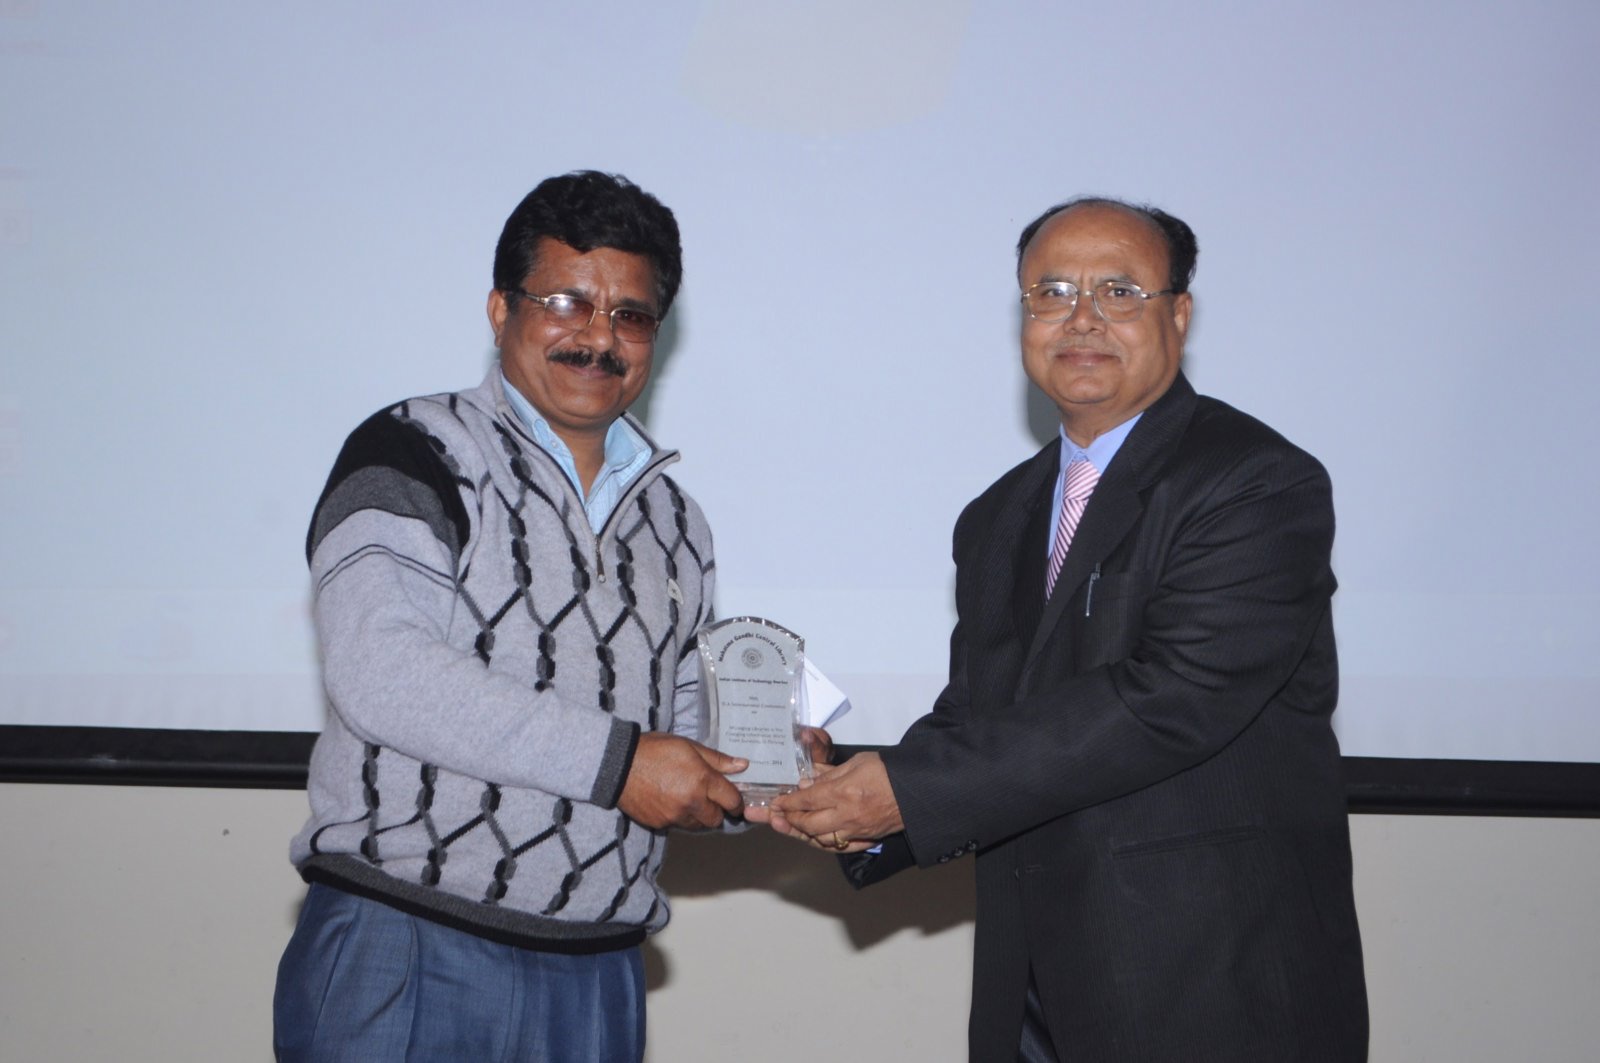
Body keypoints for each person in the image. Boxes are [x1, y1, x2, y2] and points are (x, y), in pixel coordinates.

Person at [770, 197, 1369, 1061]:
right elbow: (981, 711)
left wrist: (911, 789)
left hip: (1210, 982)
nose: (1081, 318)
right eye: (1050, 293)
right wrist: (850, 797)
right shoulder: (998, 515)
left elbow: (1169, 699)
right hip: (1031, 990)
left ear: (1179, 315)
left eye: (1118, 291)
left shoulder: (1255, 481)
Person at [274, 170, 749, 1062]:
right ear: (501, 310)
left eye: (631, 315)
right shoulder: (413, 449)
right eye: (566, 302)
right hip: (409, 941)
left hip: (599, 972)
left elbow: (677, 731)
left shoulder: (677, 521)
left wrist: (764, 773)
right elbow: (382, 671)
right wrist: (622, 764)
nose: (598, 336)